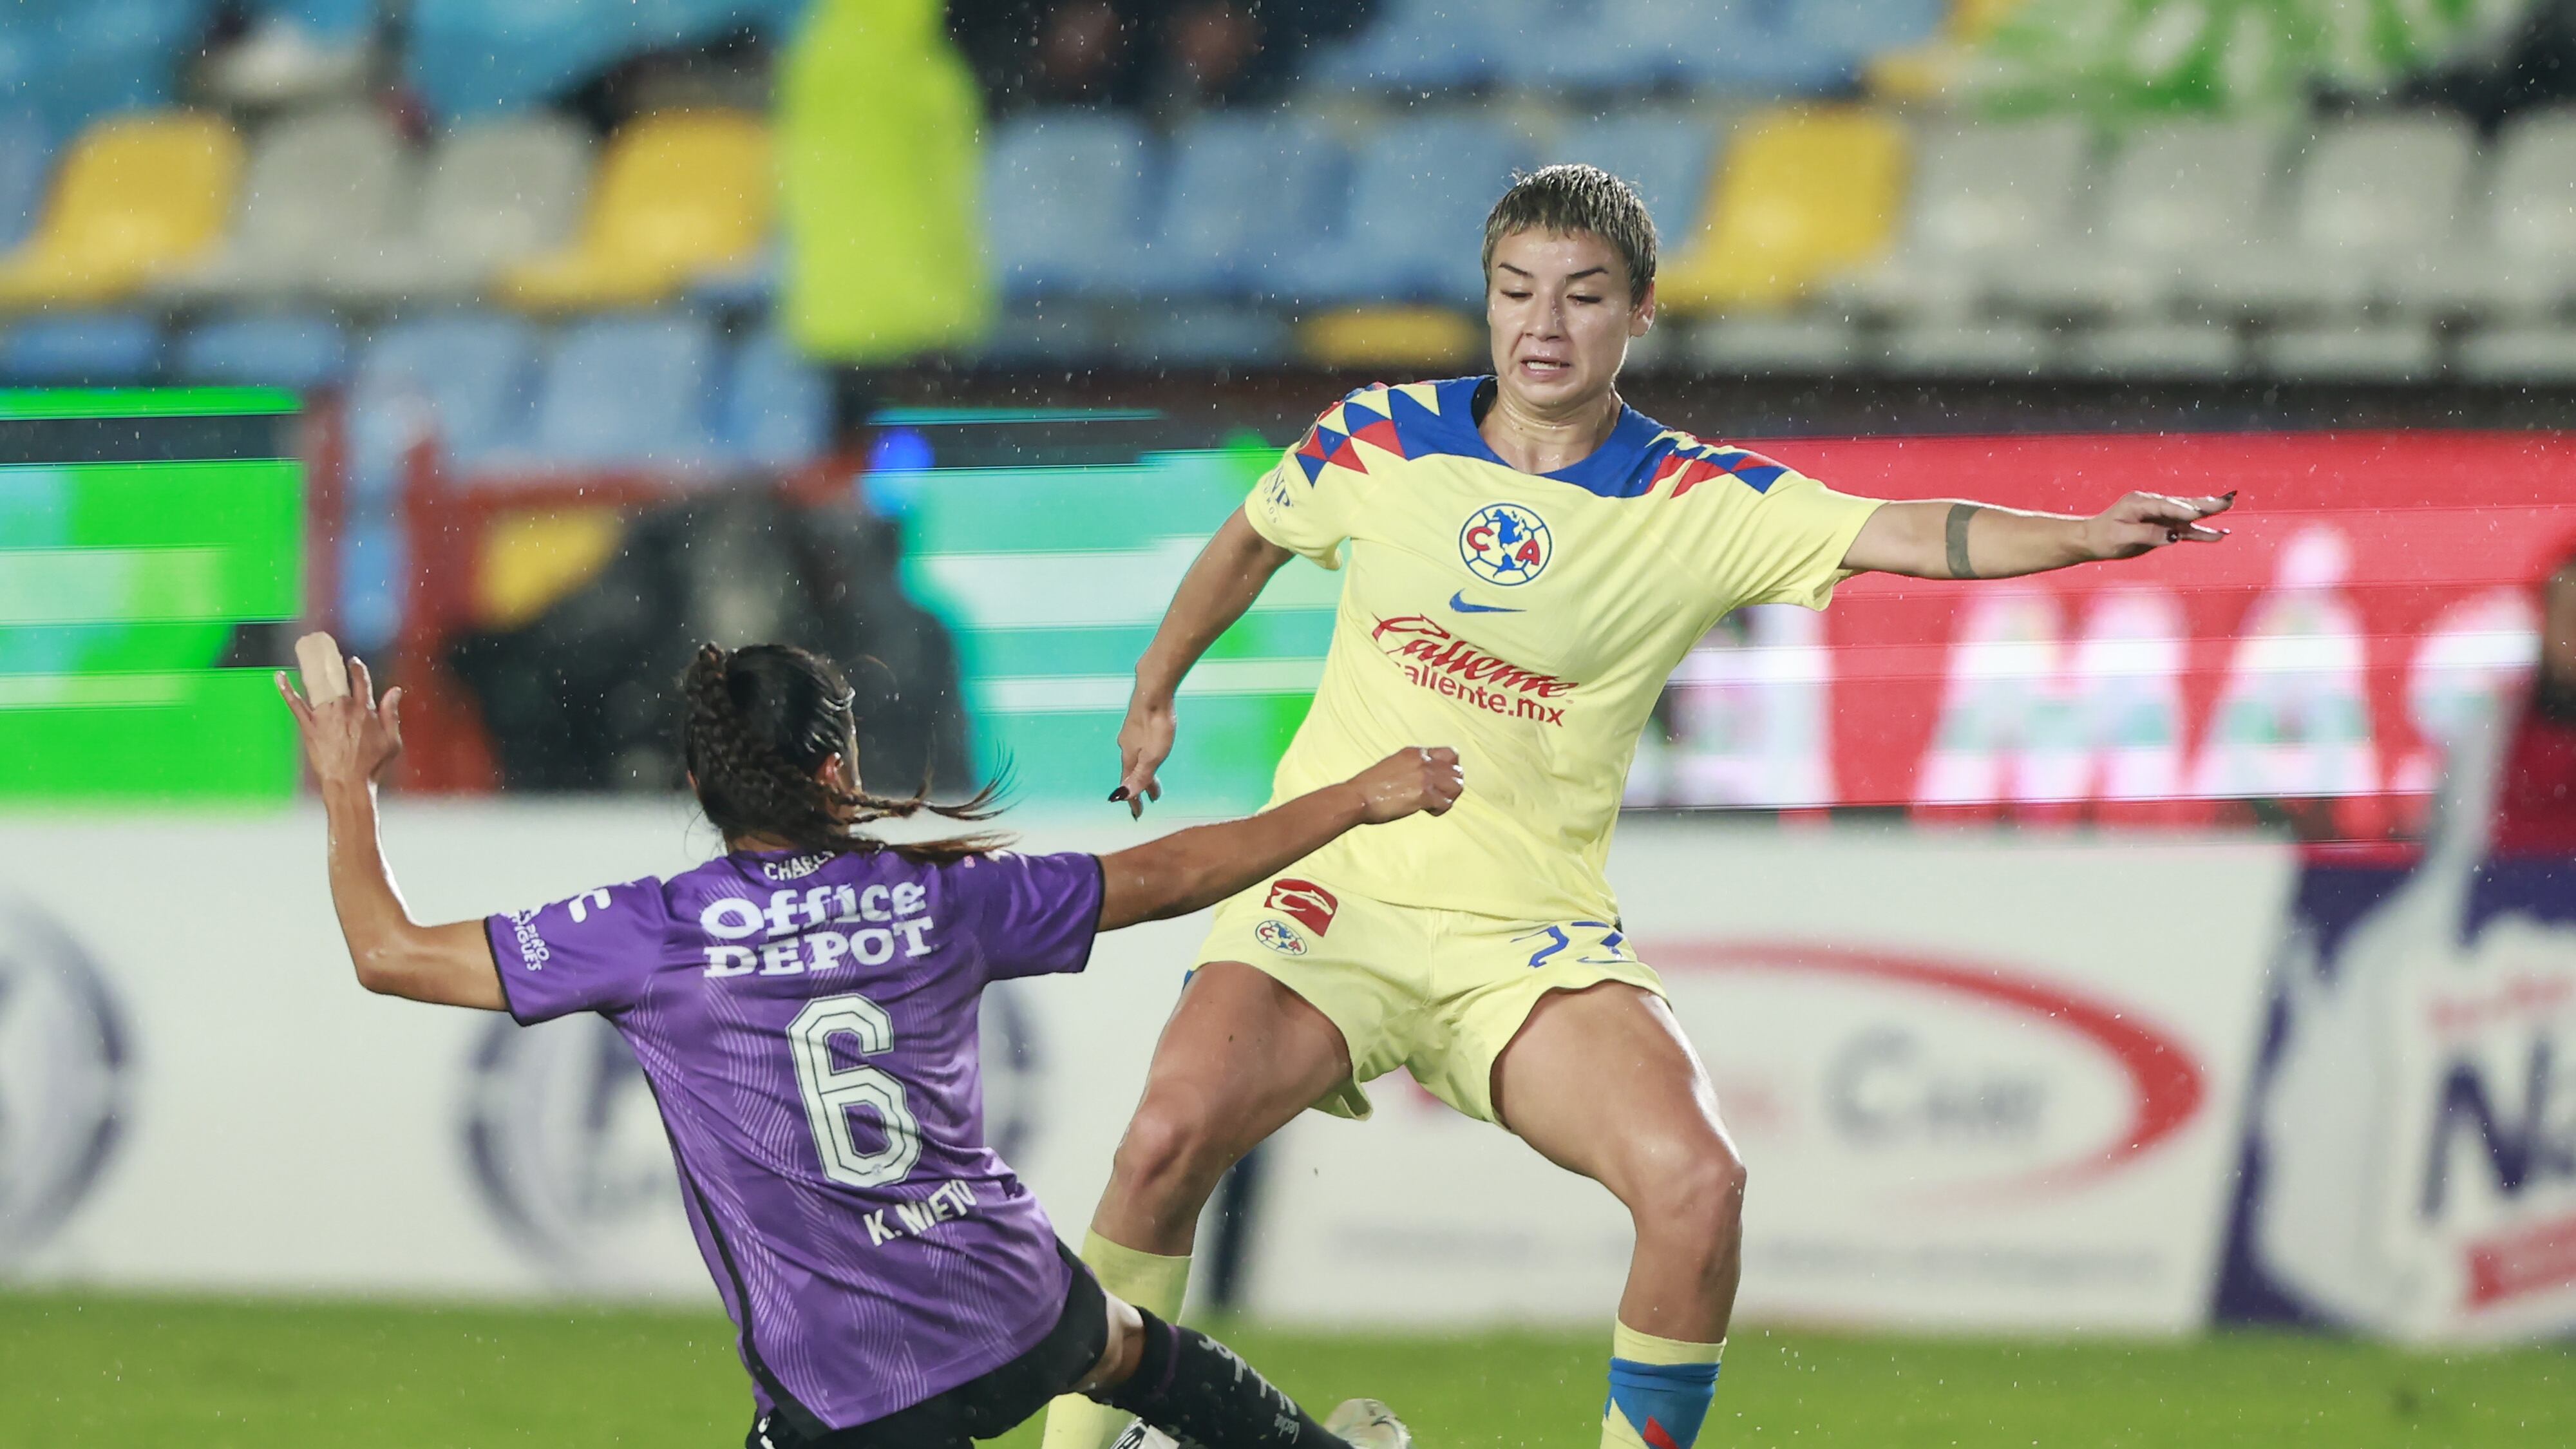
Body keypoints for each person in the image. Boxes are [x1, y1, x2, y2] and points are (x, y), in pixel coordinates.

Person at [1039, 164, 2237, 1449]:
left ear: (1640, 313)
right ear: (1485, 301)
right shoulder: (1379, 437)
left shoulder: (1694, 499)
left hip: (1522, 938)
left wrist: (2081, 533)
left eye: (1581, 295)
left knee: (1695, 1185)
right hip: (1333, 904)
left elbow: (1904, 531)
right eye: (1514, 292)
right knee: (1164, 1138)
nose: (1541, 324)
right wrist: (1156, 685)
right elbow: (1251, 535)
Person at [277, 638, 1461, 1449]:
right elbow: (1165, 874)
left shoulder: (652, 932)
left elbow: (386, 951)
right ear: (837, 768)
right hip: (1018, 1305)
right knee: (1132, 1353)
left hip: (849, 1390)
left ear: (699, 782)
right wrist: (1352, 796)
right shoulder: (941, 898)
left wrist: (347, 788)